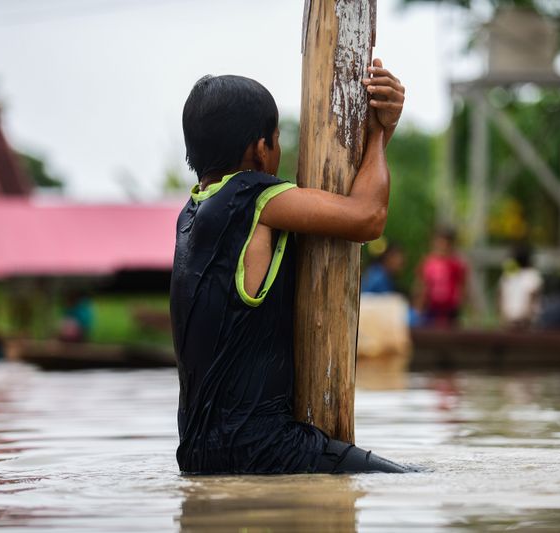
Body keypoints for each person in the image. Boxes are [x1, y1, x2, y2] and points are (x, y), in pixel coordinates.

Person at [170, 60, 410, 474]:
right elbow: (367, 217)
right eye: (278, 139)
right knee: (413, 481)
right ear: (261, 149)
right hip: (265, 448)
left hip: (196, 453)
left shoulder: (191, 214)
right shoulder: (254, 196)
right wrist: (378, 135)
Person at [414, 228, 467, 327]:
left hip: (450, 309)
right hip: (431, 308)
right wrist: (418, 309)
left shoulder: (456, 264)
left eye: (444, 244)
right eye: (438, 243)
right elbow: (422, 285)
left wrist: (461, 304)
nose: (441, 247)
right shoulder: (428, 263)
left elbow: (462, 286)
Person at [498, 243, 543, 329]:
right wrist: (523, 319)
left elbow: (500, 299)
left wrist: (504, 318)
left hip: (508, 321)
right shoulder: (533, 276)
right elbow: (532, 299)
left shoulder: (507, 276)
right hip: (525, 323)